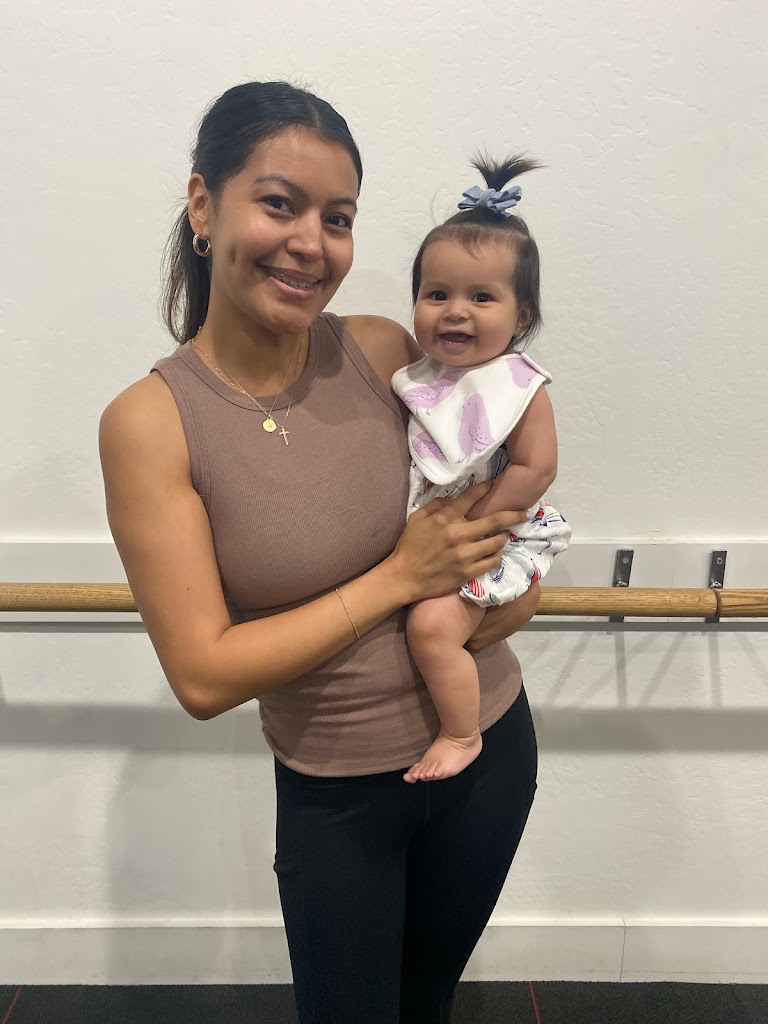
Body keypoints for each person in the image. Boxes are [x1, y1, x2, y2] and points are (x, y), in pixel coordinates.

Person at [99, 81, 541, 1024]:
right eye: (279, 203)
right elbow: (204, 677)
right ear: (203, 205)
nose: (312, 242)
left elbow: (494, 528)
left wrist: (501, 594)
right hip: (338, 797)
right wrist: (401, 580)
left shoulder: (382, 352)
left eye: (338, 218)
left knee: (427, 1004)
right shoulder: (152, 422)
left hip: (490, 748)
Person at [393, 156, 571, 785]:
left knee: (432, 627)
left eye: (481, 297)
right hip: (435, 536)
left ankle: (461, 733)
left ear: (521, 317)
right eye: (436, 294)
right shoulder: (418, 380)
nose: (455, 311)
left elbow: (536, 468)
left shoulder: (518, 385)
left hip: (491, 532)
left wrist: (470, 523)